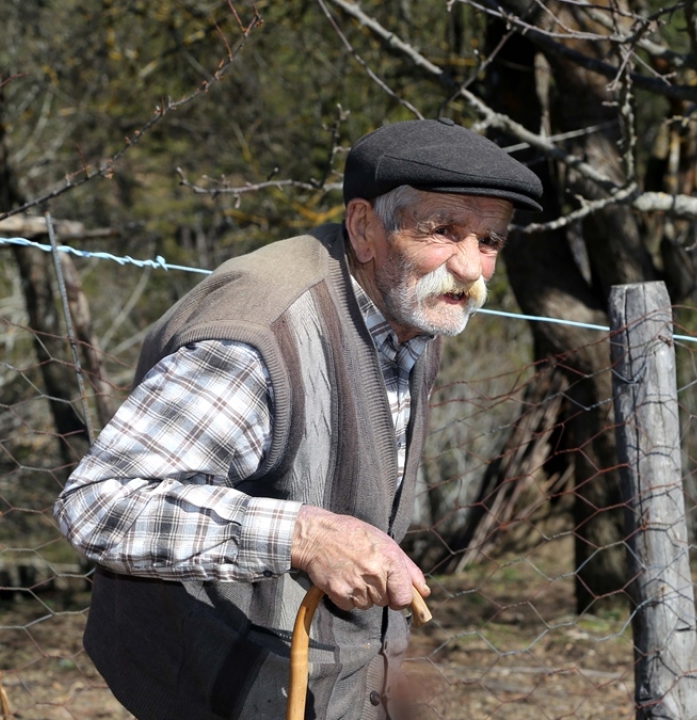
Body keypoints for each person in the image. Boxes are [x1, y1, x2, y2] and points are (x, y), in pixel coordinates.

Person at [53, 118, 543, 720]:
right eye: (442, 231)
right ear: (365, 227)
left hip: (320, 678)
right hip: (206, 677)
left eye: (489, 241)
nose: (470, 266)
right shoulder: (259, 335)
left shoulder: (414, 299)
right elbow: (100, 505)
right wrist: (305, 536)